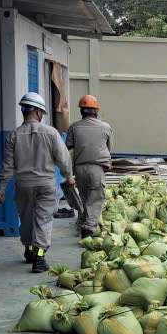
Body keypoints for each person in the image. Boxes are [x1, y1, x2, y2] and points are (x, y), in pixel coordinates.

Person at [0, 92, 75, 273]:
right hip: (46, 185)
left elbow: (7, 165)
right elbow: (63, 159)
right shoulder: (51, 133)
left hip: (23, 184)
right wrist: (69, 176)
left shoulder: (14, 135)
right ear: (39, 112)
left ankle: (28, 249)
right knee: (43, 219)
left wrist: (2, 187)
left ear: (24, 111)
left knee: (26, 219)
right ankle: (39, 257)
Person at [67, 94, 113, 238]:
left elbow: (69, 149)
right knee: (95, 199)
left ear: (81, 111)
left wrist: (68, 173)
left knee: (84, 197)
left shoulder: (74, 127)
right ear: (96, 111)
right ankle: (89, 228)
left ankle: (83, 222)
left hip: (79, 169)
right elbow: (108, 148)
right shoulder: (106, 127)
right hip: (97, 168)